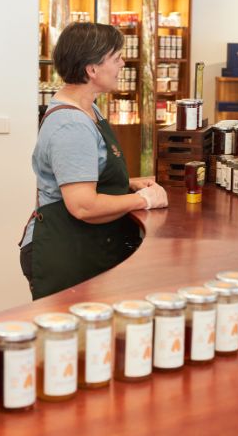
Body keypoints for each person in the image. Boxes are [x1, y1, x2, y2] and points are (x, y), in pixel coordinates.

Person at [19, 22, 168, 300]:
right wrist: (144, 200)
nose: (123, 63)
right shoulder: (71, 124)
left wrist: (128, 183)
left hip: (84, 247)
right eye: (116, 58)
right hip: (67, 254)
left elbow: (84, 175)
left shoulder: (89, 109)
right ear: (92, 70)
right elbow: (83, 206)